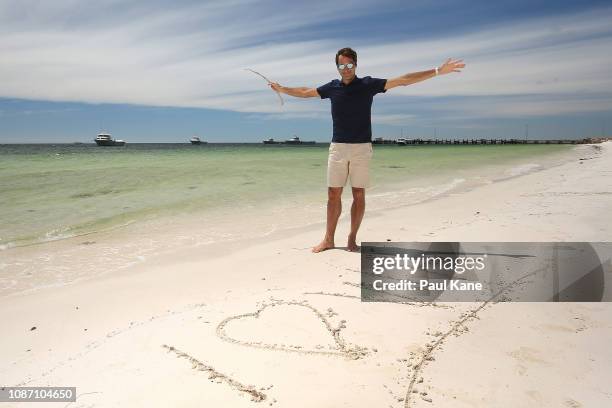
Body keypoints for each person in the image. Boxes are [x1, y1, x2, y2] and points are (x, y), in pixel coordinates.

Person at [270, 47, 465, 253]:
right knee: (333, 196)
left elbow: (403, 80)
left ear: (355, 64)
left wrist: (436, 71)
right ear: (337, 67)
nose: (345, 69)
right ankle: (328, 239)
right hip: (337, 148)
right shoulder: (332, 87)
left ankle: (352, 238)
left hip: (362, 148)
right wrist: (282, 89)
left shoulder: (368, 85)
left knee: (359, 195)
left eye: (349, 65)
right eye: (341, 65)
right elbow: (305, 92)